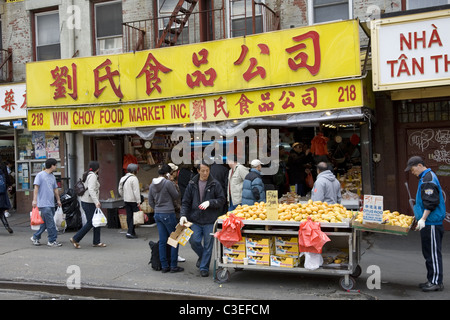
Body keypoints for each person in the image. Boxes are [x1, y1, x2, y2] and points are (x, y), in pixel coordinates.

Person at [405, 156, 446, 292]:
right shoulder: (425, 177)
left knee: (433, 253)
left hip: (432, 222)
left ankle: (435, 282)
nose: (412, 172)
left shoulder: (428, 179)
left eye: (412, 169)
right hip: (428, 222)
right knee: (429, 253)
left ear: (419, 165)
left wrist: (423, 219)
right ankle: (431, 279)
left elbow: (431, 202)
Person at [180, 162, 225, 277]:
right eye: (203, 171)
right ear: (198, 171)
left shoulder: (215, 184)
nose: (205, 173)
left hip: (210, 219)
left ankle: (204, 267)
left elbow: (221, 200)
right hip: (195, 218)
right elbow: (185, 202)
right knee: (194, 241)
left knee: (208, 245)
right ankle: (202, 257)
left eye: (207, 170)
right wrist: (183, 215)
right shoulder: (192, 184)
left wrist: (210, 202)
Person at [148, 163, 183, 273]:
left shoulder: (152, 184)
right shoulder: (168, 183)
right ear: (167, 173)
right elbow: (176, 195)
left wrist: (157, 208)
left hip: (157, 214)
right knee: (174, 239)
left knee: (163, 240)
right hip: (168, 213)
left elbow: (150, 201)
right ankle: (173, 266)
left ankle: (164, 266)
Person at [70, 161, 105, 249]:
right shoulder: (92, 176)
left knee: (96, 222)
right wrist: (96, 202)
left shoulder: (87, 174)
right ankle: (76, 238)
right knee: (91, 222)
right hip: (89, 202)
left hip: (87, 201)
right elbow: (91, 190)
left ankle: (96, 241)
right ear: (97, 168)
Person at [30, 158, 62, 247]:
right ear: (52, 165)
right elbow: (36, 188)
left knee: (45, 223)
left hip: (51, 202)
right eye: (55, 165)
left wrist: (58, 200)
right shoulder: (40, 175)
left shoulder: (52, 176)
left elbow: (55, 189)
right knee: (51, 222)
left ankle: (35, 237)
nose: (56, 166)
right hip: (43, 203)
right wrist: (34, 200)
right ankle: (52, 240)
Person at [118, 163, 141, 239]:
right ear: (134, 171)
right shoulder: (134, 179)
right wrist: (138, 201)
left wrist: (123, 196)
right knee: (134, 217)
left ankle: (131, 231)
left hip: (126, 199)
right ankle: (130, 232)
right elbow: (136, 191)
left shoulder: (123, 178)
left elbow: (120, 189)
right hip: (133, 200)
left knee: (129, 215)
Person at [0, 162, 12, 234]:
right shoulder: (2, 166)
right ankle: (6, 226)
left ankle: (7, 226)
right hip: (1, 192)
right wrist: (9, 185)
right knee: (1, 211)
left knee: (0, 212)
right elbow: (7, 177)